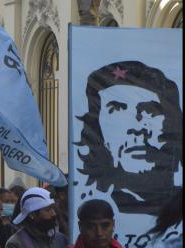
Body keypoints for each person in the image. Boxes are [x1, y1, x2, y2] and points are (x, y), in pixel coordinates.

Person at [75, 61, 182, 216]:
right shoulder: (86, 203)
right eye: (117, 110)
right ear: (96, 126)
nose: (136, 127)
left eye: (150, 111)